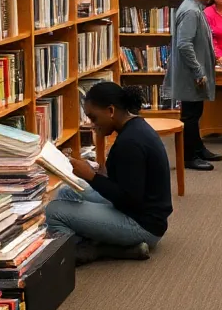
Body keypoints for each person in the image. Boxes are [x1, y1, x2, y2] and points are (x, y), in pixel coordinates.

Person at [48, 83, 172, 265]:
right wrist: (96, 174)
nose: (92, 124)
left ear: (110, 111)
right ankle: (108, 243)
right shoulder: (135, 127)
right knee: (67, 191)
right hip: (142, 213)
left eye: (94, 117)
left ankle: (88, 249)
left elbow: (129, 199)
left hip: (142, 224)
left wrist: (91, 176)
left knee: (54, 211)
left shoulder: (129, 143)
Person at [169, 0, 218, 171]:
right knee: (189, 115)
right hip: (191, 74)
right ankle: (189, 157)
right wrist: (198, 71)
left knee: (195, 112)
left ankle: (198, 148)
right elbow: (184, 44)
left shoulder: (194, 6)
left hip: (194, 72)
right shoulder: (190, 10)